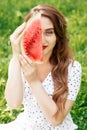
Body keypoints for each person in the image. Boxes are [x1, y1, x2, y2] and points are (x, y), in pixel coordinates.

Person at [0, 4, 82, 130]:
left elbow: (56, 119)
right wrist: (16, 54)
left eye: (49, 32)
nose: (42, 40)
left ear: (58, 36)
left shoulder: (72, 68)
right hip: (26, 126)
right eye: (36, 34)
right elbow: (13, 104)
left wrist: (33, 81)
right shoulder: (18, 63)